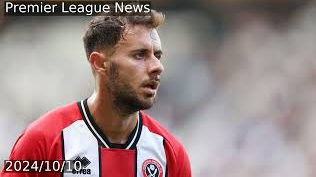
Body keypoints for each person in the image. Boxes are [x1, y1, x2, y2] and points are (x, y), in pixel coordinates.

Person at [1, 10, 191, 177]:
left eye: (157, 56)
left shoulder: (170, 153)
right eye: (139, 55)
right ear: (99, 63)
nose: (158, 67)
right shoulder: (43, 141)